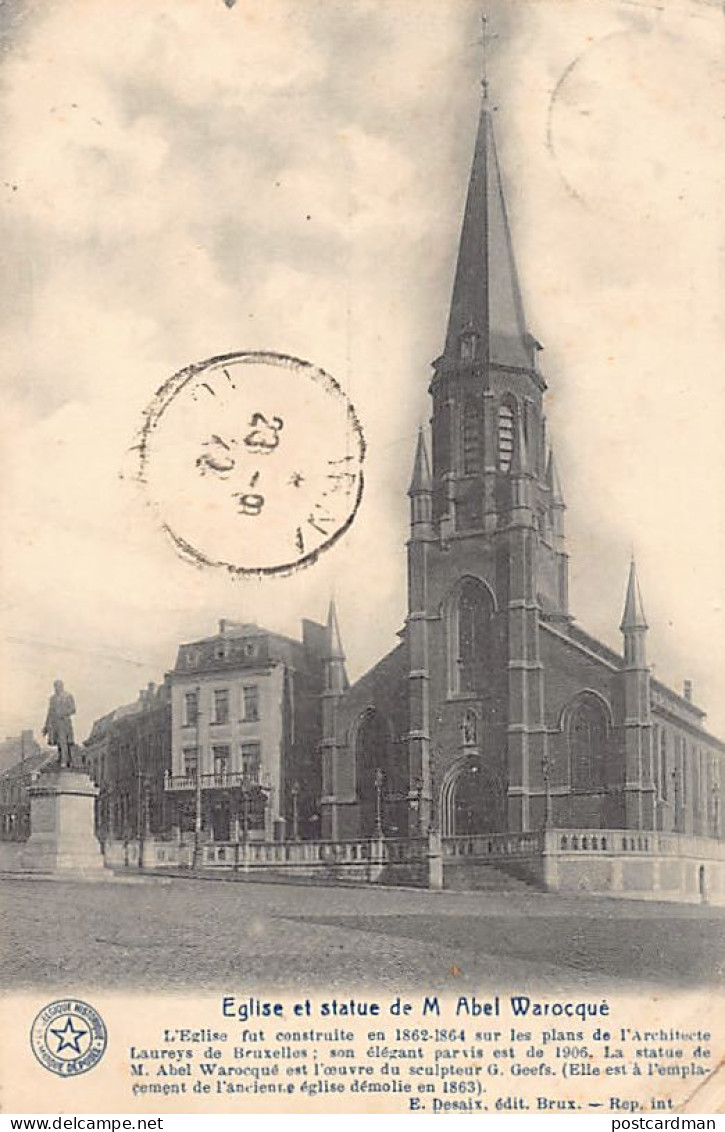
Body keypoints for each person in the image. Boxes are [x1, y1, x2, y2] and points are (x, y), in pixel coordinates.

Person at [43, 680, 76, 768]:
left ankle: (65, 761)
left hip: (64, 722)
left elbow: (73, 709)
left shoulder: (68, 696)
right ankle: (61, 758)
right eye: (55, 686)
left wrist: (63, 713)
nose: (57, 688)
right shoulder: (52, 699)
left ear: (62, 686)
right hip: (55, 723)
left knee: (64, 741)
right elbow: (49, 713)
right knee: (58, 742)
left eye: (58, 686)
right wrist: (46, 727)